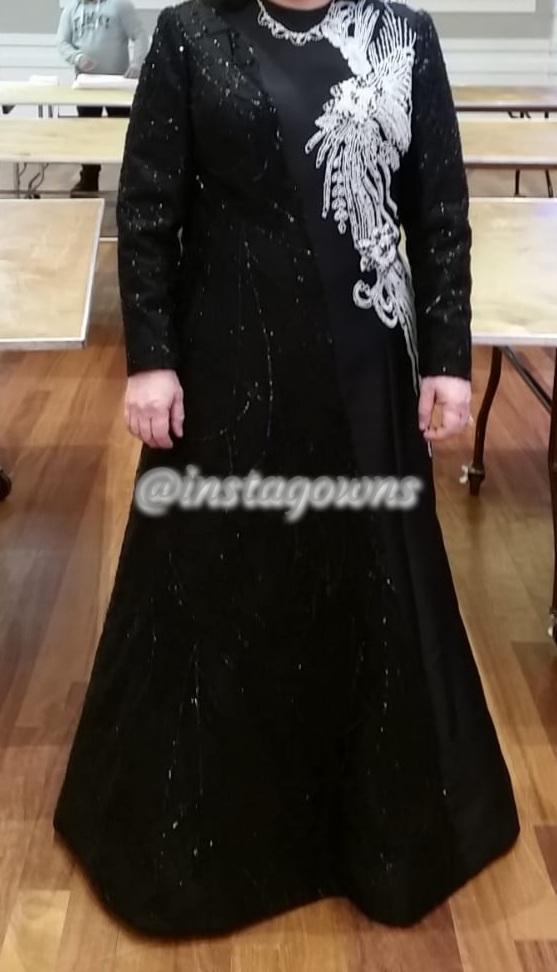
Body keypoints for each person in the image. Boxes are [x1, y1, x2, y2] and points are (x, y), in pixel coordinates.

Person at [53, 0, 520, 938]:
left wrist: (446, 360)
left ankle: (371, 833)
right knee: (218, 585)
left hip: (365, 374)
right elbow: (147, 210)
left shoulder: (404, 38)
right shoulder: (191, 34)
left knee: (369, 582)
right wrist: (150, 357)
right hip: (230, 372)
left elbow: (439, 214)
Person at [57, 0, 148, 194]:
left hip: (118, 85)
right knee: (88, 136)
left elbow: (140, 35)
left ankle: (133, 183)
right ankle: (89, 181)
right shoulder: (71, 10)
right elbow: (62, 43)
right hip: (86, 85)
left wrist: (137, 63)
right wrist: (78, 57)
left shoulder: (120, 5)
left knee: (125, 135)